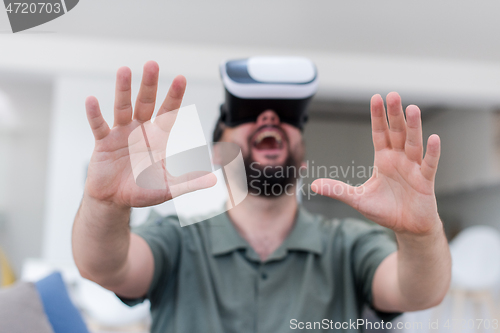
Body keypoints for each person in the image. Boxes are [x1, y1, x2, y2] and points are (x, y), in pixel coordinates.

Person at [72, 59, 451, 333]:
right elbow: (105, 268)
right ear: (220, 150)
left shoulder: (347, 246)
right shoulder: (177, 240)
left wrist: (421, 233)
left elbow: (419, 293)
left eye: (288, 113)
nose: (270, 117)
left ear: (303, 155)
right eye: (249, 112)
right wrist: (104, 203)